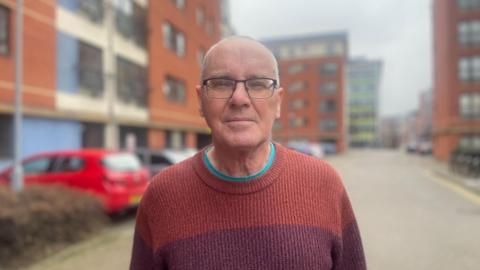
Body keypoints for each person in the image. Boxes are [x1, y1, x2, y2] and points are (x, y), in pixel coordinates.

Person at [130, 36, 366, 270]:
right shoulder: (161, 196)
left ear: (279, 102)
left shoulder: (324, 185)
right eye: (221, 83)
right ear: (201, 100)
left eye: (258, 83)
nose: (239, 99)